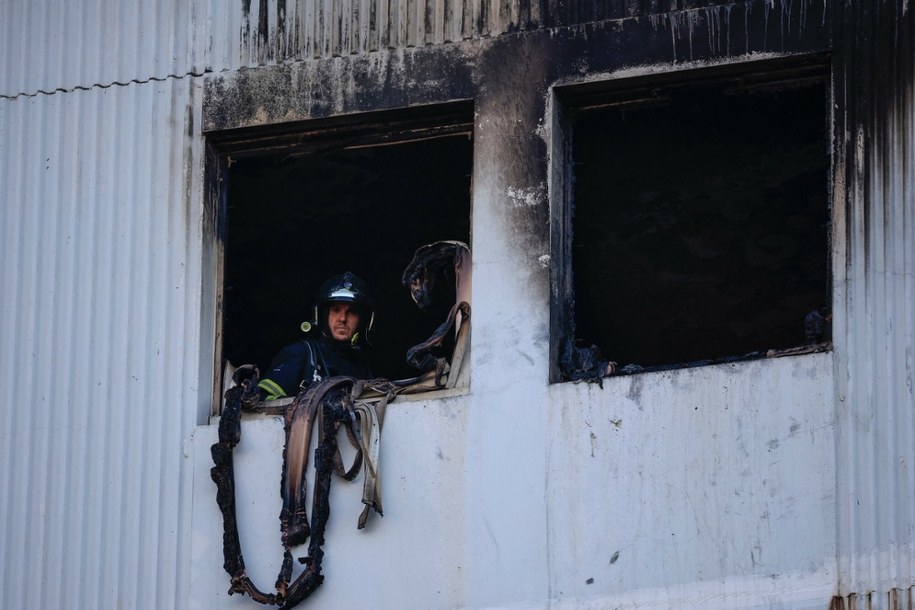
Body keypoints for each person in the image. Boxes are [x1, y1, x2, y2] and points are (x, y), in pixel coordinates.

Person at [257, 271, 375, 400]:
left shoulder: (361, 367)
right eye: (336, 310)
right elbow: (264, 409)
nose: (342, 318)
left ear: (363, 321)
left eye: (351, 312)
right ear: (323, 316)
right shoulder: (300, 353)